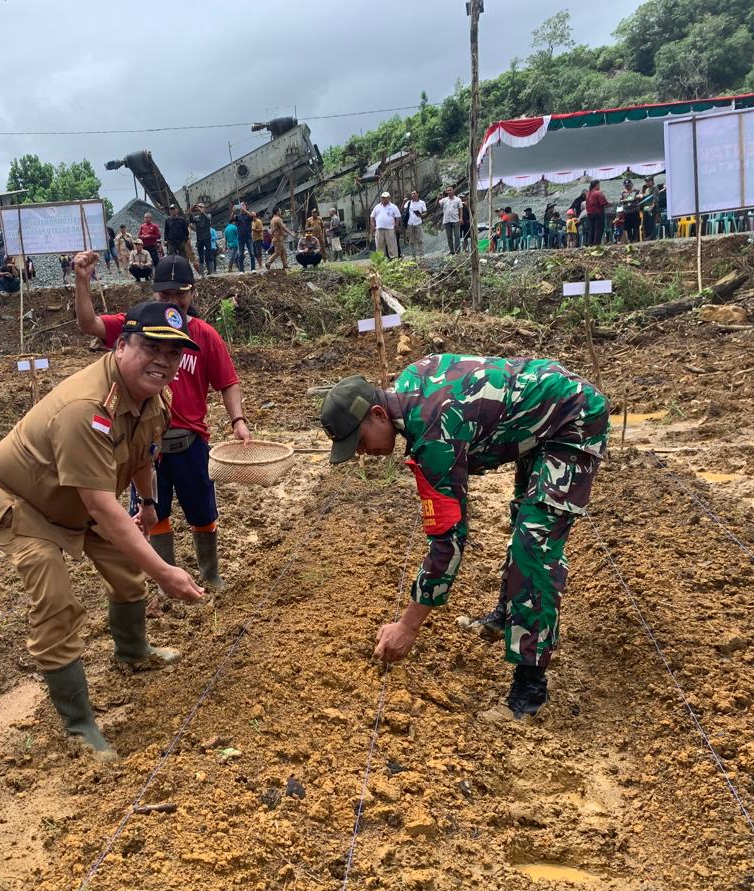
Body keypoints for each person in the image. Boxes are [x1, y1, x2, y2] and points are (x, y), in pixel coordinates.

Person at [319, 355, 609, 721]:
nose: (361, 453)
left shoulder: (433, 431)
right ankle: (508, 615)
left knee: (534, 545)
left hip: (572, 418)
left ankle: (529, 692)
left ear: (378, 414)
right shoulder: (409, 389)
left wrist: (408, 625)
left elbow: (449, 540)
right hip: (537, 422)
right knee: (524, 517)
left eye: (357, 441)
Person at [0, 297, 206, 757]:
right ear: (121, 346)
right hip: (29, 504)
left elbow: (143, 454)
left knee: (128, 573)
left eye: (171, 353)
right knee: (57, 603)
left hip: (80, 500)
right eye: (151, 348)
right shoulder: (86, 408)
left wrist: (146, 502)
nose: (162, 362)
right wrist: (166, 572)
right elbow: (103, 508)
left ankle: (132, 652)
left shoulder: (154, 398)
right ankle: (79, 725)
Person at [75, 252, 250, 593]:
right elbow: (89, 325)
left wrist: (238, 420)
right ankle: (163, 579)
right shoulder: (136, 326)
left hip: (190, 441)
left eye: (179, 294)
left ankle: (209, 574)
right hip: (144, 441)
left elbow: (228, 381)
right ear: (154, 293)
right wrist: (82, 281)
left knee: (202, 512)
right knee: (152, 511)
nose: (172, 301)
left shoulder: (204, 335)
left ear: (192, 294)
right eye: (164, 295)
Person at [371, 192, 401, 259]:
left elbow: (397, 217)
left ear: (389, 198)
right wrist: (373, 226)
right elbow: (372, 217)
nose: (383, 199)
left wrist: (396, 225)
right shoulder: (377, 207)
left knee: (392, 245)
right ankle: (381, 260)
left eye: (385, 198)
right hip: (379, 229)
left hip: (390, 228)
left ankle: (394, 259)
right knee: (379, 245)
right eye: (382, 198)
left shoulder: (393, 207)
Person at [189, 203, 213, 274]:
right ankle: (201, 273)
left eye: (200, 207)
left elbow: (208, 218)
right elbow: (191, 220)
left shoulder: (208, 215)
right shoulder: (197, 217)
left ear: (204, 208)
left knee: (209, 255)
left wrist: (202, 211)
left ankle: (211, 272)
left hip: (207, 238)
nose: (199, 209)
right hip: (199, 239)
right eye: (198, 208)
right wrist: (191, 212)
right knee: (201, 256)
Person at [404, 190, 428, 258]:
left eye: (414, 193)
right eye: (412, 194)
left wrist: (421, 215)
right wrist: (403, 202)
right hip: (410, 223)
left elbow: (425, 212)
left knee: (420, 239)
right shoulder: (409, 202)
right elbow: (403, 209)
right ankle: (413, 256)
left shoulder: (422, 203)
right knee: (411, 241)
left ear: (418, 194)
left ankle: (421, 255)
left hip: (418, 223)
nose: (413, 195)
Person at [440, 187, 464, 255]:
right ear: (446, 192)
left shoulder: (458, 199)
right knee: (449, 237)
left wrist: (461, 218)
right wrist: (438, 198)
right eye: (448, 191)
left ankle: (458, 251)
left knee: (457, 236)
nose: (449, 191)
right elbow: (438, 204)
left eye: (450, 190)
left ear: (453, 191)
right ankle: (451, 251)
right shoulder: (444, 200)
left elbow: (460, 209)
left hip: (455, 220)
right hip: (447, 220)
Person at [233, 203, 257, 271]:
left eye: (243, 205)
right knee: (240, 254)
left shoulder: (248, 215)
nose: (242, 207)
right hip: (240, 237)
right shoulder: (238, 215)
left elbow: (252, 216)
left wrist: (245, 211)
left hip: (248, 237)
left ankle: (253, 269)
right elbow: (232, 219)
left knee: (251, 253)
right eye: (241, 205)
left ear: (246, 207)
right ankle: (241, 270)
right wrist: (233, 211)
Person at [585, 180, 608, 246]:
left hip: (589, 213)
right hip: (598, 213)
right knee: (599, 228)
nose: (599, 186)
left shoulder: (588, 194)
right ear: (596, 185)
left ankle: (590, 243)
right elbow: (603, 203)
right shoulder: (598, 193)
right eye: (599, 185)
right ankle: (597, 243)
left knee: (592, 229)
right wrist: (610, 204)